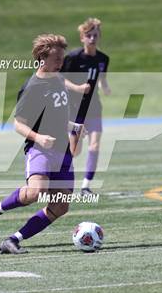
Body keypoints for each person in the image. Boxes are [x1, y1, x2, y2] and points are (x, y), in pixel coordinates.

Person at [0, 34, 83, 254]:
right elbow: (18, 124)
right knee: (35, 193)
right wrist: (39, 137)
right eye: (56, 59)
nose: (60, 63)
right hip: (40, 149)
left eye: (61, 58)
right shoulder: (32, 87)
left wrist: (74, 127)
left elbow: (56, 116)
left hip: (62, 152)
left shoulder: (59, 80)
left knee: (60, 206)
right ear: (42, 59)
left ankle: (12, 240)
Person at [61, 18, 111, 196]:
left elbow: (102, 79)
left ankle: (86, 186)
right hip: (75, 108)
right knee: (75, 149)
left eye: (95, 35)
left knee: (95, 145)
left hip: (94, 107)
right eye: (88, 35)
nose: (92, 38)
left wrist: (105, 87)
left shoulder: (103, 59)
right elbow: (60, 79)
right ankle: (59, 177)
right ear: (82, 38)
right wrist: (77, 88)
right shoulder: (73, 58)